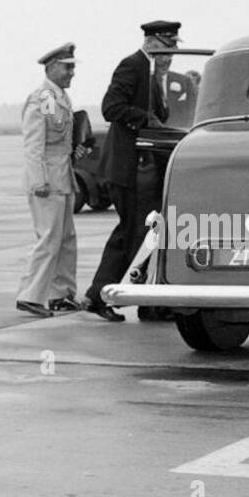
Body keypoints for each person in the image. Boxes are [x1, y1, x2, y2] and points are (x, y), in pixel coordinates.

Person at [84, 19, 177, 320]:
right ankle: (101, 295)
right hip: (130, 169)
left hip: (146, 168)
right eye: (165, 49)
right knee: (132, 234)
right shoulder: (132, 66)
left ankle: (148, 301)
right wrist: (144, 118)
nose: (169, 56)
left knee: (144, 234)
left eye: (172, 49)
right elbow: (111, 107)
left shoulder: (154, 75)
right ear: (150, 43)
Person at [16, 44, 88, 316]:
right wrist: (38, 181)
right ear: (52, 66)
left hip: (62, 176)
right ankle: (30, 295)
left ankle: (62, 294)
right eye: (67, 67)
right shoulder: (44, 97)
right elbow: (33, 145)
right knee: (48, 238)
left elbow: (61, 140)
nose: (72, 72)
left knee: (66, 238)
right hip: (47, 179)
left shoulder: (60, 97)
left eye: (73, 67)